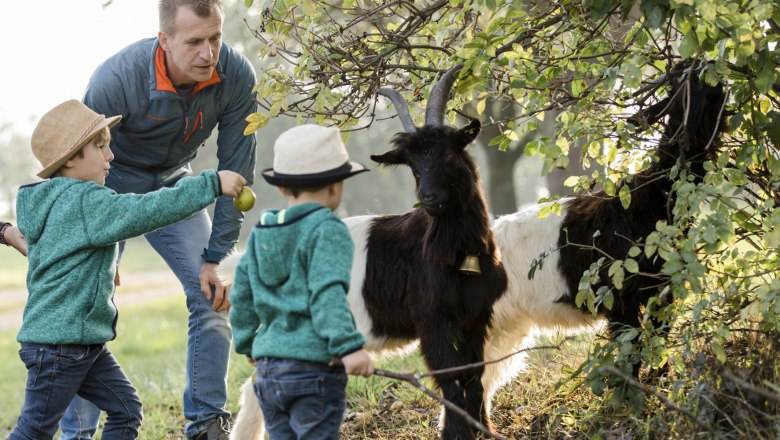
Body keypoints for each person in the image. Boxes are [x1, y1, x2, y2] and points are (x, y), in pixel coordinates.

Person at [56, 0, 258, 438]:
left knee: (213, 293)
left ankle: (206, 422)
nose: (208, 53)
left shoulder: (236, 75)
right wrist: (94, 252)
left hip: (176, 184)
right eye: (195, 42)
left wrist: (216, 254)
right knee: (87, 305)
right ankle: (77, 434)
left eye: (215, 38)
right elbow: (79, 167)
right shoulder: (116, 78)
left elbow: (235, 172)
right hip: (109, 184)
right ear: (164, 40)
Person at [8, 100, 246, 439]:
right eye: (100, 147)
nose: (111, 157)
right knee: (34, 431)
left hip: (80, 343)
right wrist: (210, 185)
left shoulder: (50, 202)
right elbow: (145, 209)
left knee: (126, 410)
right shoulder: (85, 201)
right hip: (60, 348)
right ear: (71, 158)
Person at [229, 125, 374, 440]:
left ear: (281, 188)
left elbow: (241, 297)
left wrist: (247, 342)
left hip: (268, 372)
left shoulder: (260, 234)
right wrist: (348, 347)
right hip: (314, 369)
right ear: (337, 187)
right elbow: (327, 294)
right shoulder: (328, 231)